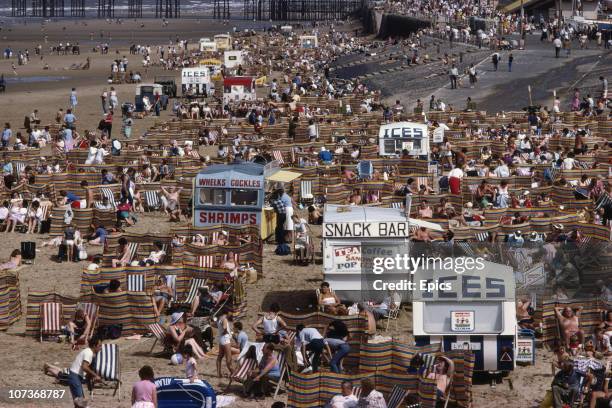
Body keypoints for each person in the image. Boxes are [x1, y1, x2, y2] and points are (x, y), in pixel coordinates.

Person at [67, 336, 103, 406]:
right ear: (94, 346)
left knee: (78, 403)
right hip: (75, 377)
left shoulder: (88, 352)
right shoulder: (89, 353)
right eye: (99, 346)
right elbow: (84, 367)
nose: (101, 348)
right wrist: (95, 375)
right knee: (82, 403)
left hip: (74, 376)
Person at [216, 309, 235, 378]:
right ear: (227, 312)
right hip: (225, 339)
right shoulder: (224, 319)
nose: (231, 313)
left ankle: (219, 373)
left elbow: (218, 326)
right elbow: (224, 327)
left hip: (221, 339)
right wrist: (226, 331)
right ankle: (234, 373)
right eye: (230, 312)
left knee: (220, 357)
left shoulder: (219, 318)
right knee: (228, 359)